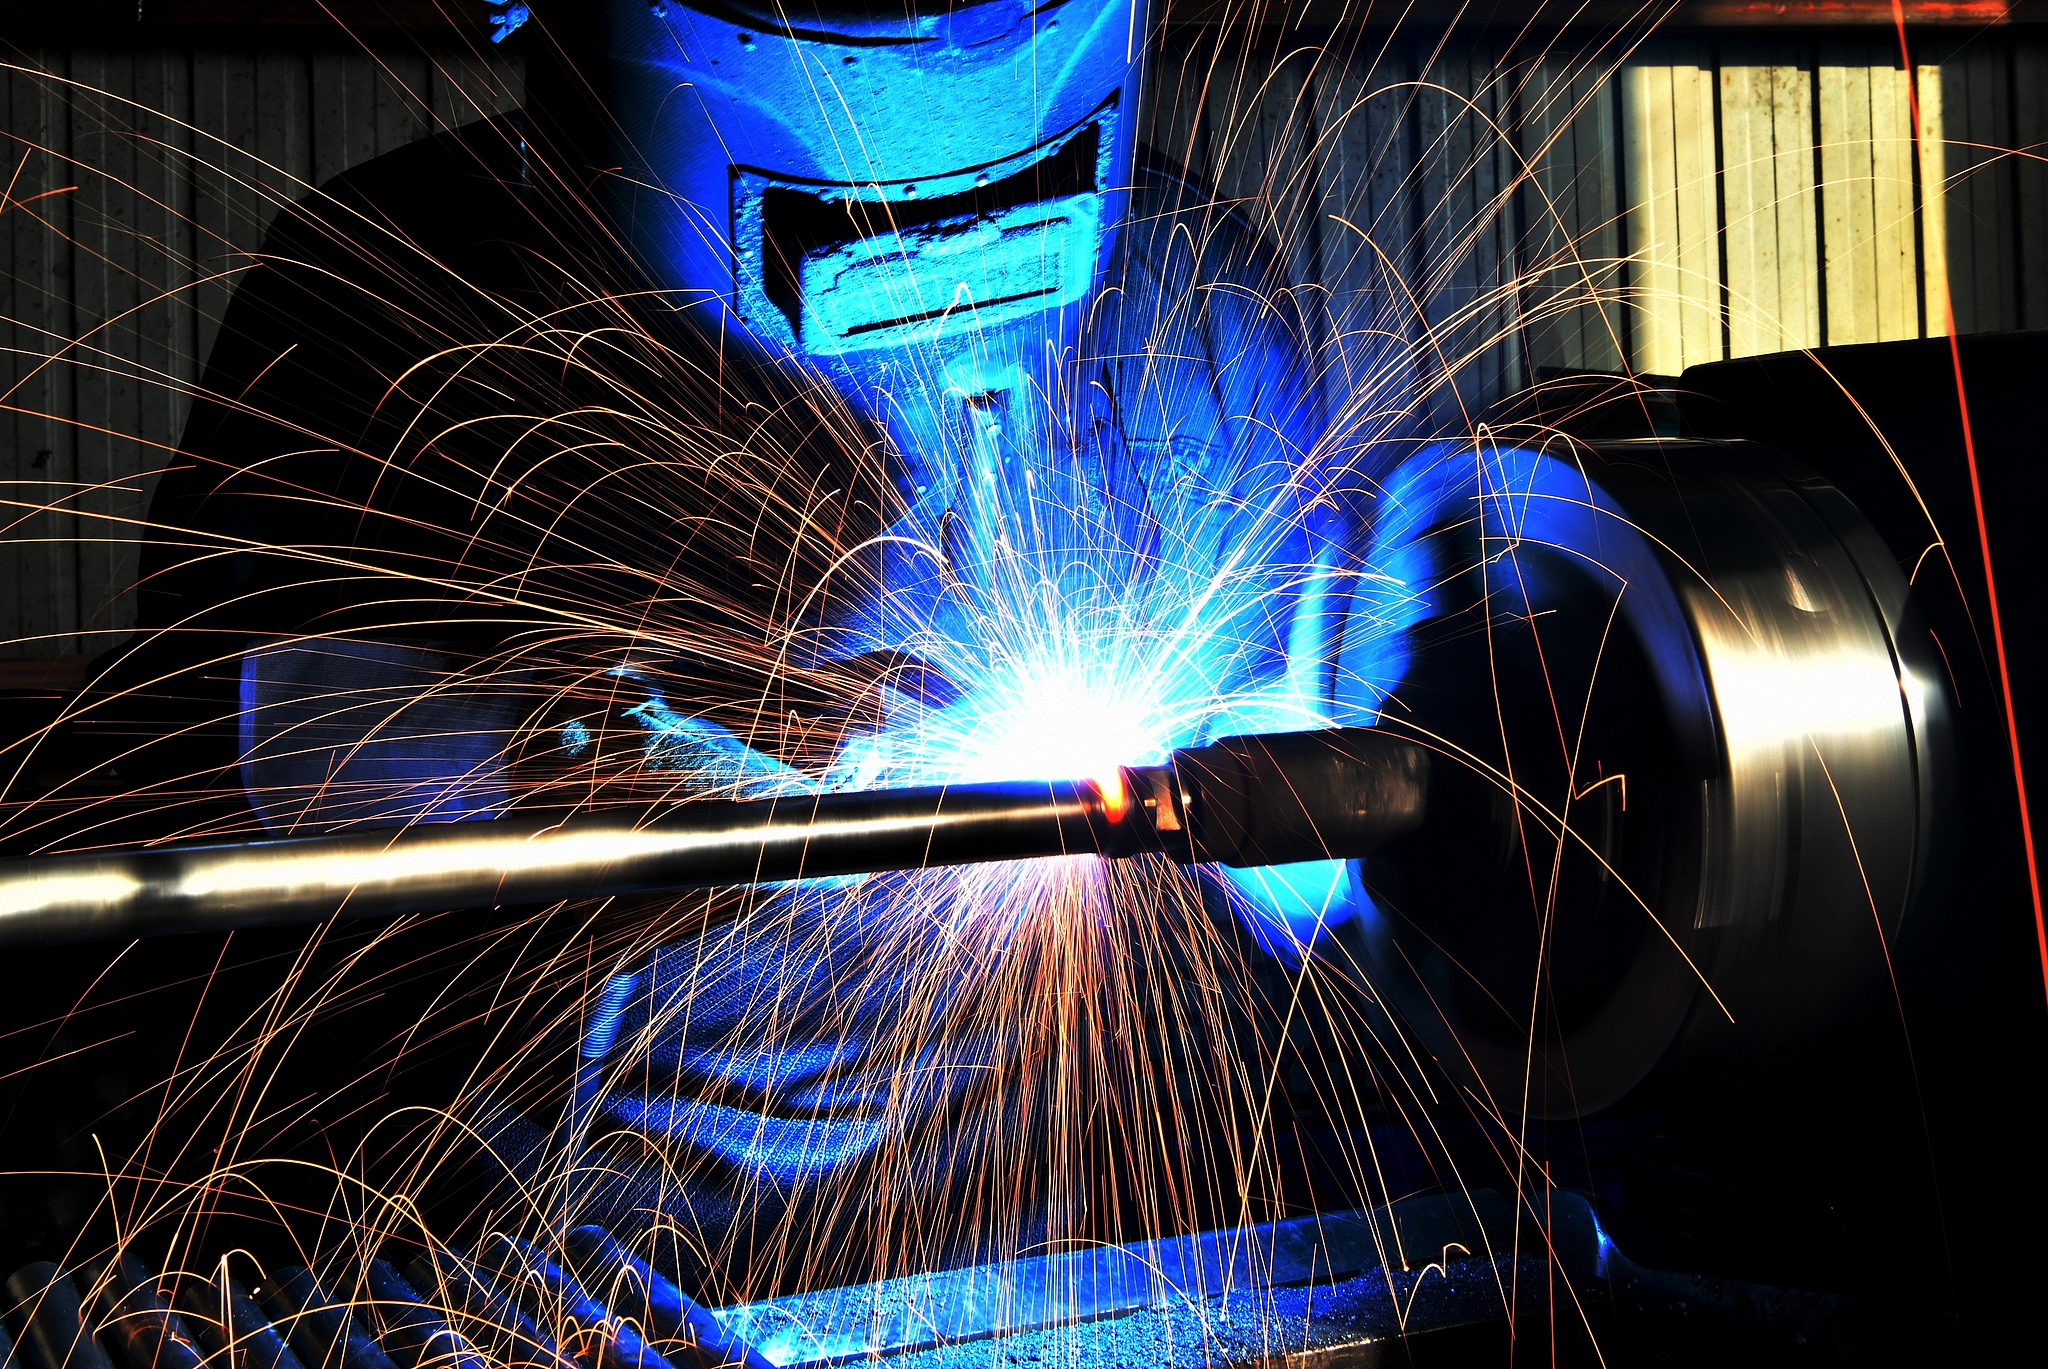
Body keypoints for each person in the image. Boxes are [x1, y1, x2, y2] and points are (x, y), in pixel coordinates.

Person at [130, 0, 1369, 1298]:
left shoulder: (1194, 297)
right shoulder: (392, 290)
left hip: (1019, 1235)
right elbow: (204, 771)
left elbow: (1285, 854)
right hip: (548, 1247)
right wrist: (540, 753)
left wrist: (1373, 758)